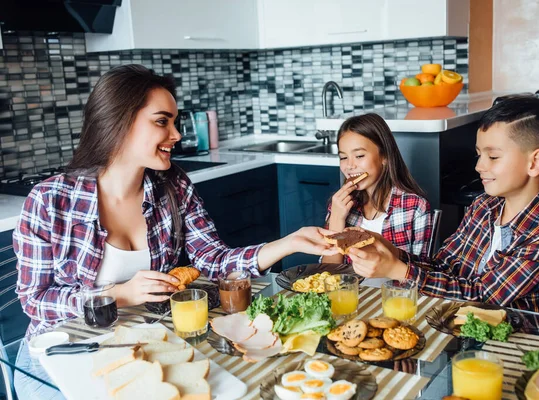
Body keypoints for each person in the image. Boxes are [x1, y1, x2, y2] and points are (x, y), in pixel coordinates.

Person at [13, 64, 336, 400]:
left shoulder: (173, 185)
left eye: (174, 122)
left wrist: (287, 244)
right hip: (64, 353)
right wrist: (120, 294)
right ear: (119, 122)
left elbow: (212, 259)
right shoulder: (51, 200)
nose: (177, 134)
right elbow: (37, 302)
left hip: (140, 343)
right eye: (161, 121)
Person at [347, 96, 539, 336]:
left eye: (493, 156)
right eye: (479, 154)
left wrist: (399, 271)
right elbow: (446, 265)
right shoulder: (484, 206)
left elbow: (482, 298)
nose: (479, 166)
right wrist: (393, 253)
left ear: (535, 162)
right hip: (470, 332)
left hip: (527, 342)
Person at [321, 113, 432, 286]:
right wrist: (336, 219)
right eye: (343, 157)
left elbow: (421, 275)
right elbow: (327, 276)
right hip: (350, 298)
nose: (350, 165)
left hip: (394, 301)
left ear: (384, 157)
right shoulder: (339, 206)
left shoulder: (415, 207)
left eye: (359, 156)